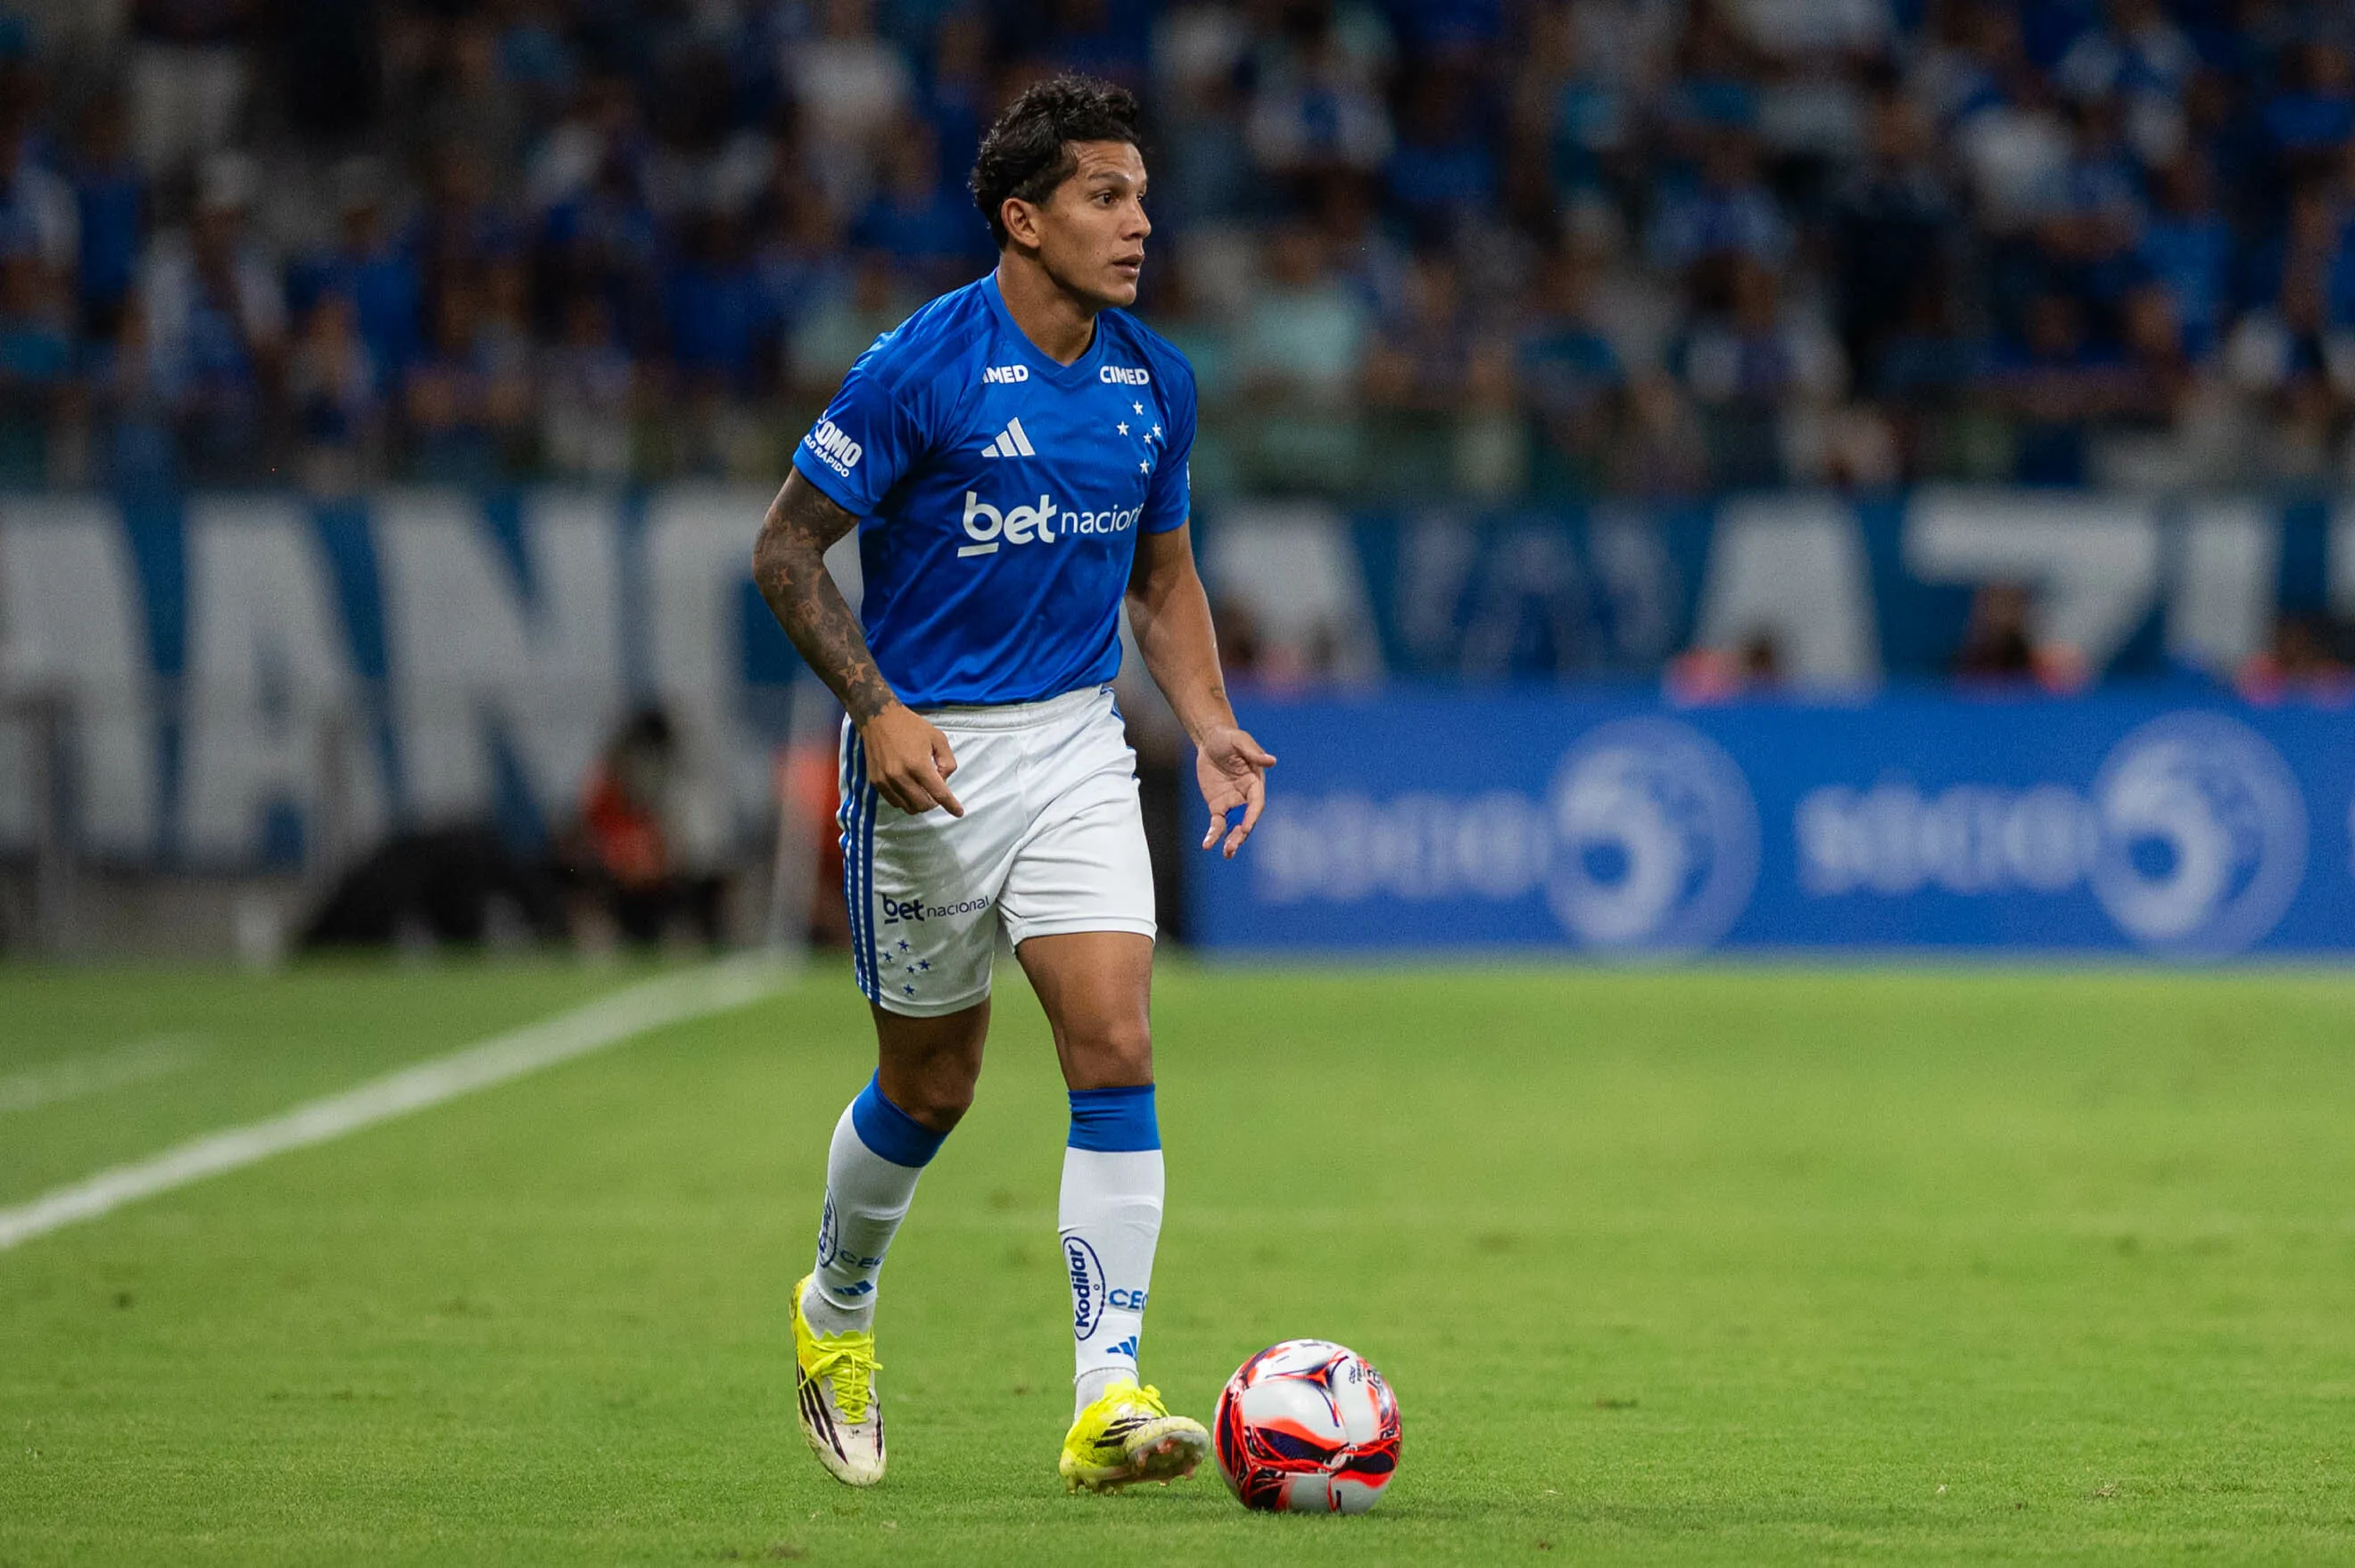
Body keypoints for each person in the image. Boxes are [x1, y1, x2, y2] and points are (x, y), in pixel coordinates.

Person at [749, 77, 1274, 1494]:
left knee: (1113, 1041)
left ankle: (1109, 1395)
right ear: (1022, 217)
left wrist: (1211, 721)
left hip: (1074, 751)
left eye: (1144, 197)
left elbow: (1159, 577)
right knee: (933, 1084)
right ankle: (835, 1308)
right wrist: (878, 709)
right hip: (930, 768)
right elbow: (786, 553)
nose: (1138, 224)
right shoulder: (919, 367)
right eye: (1107, 196)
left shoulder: (1153, 380)